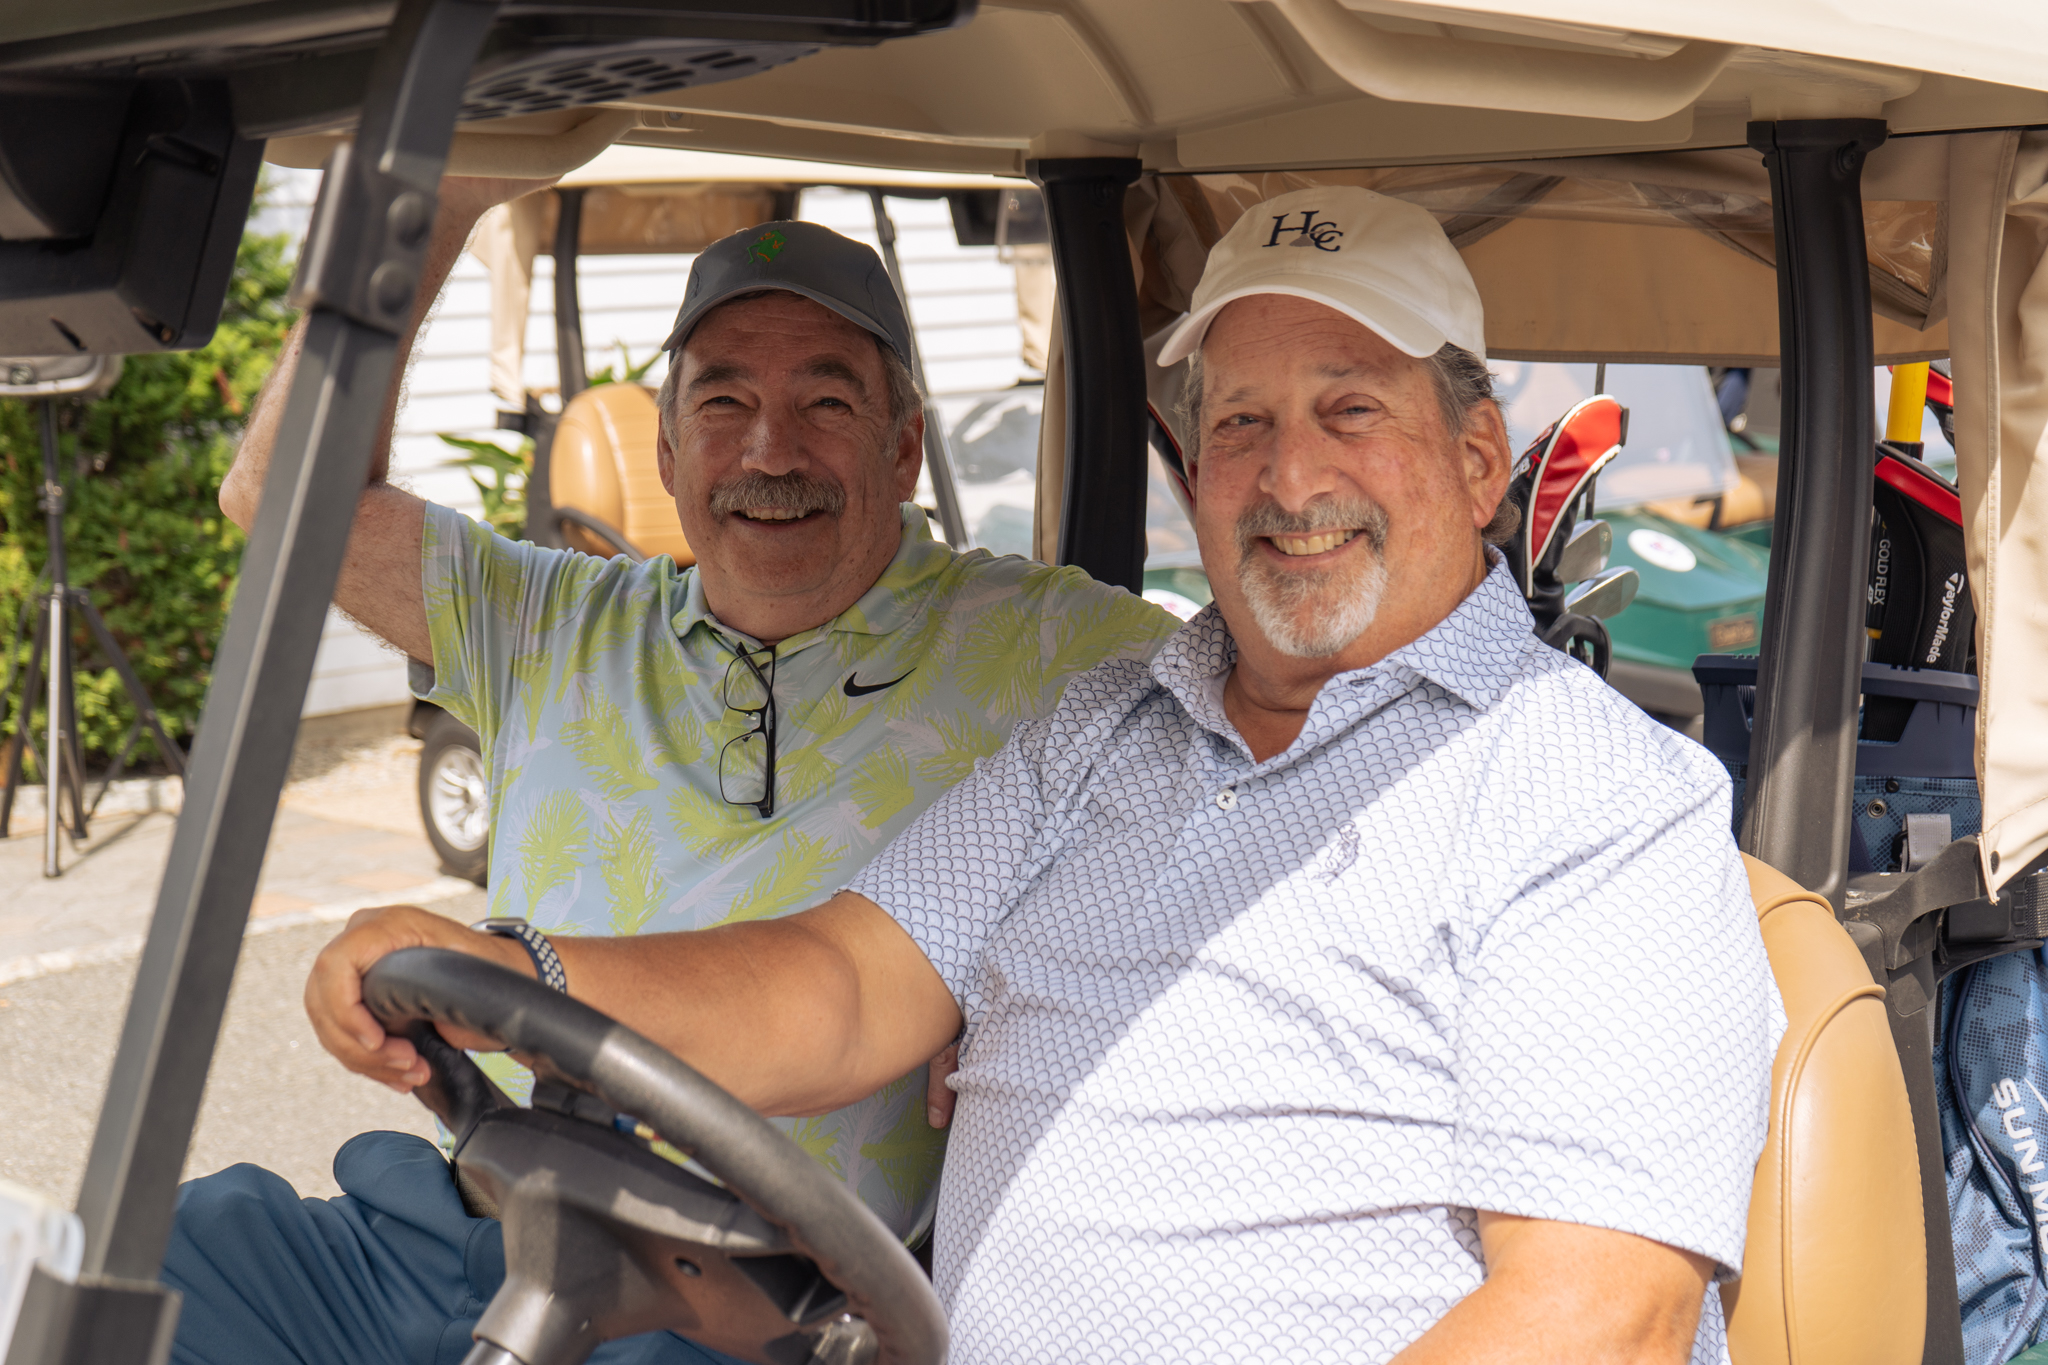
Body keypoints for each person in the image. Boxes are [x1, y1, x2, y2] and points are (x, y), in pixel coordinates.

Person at [307, 184, 1786, 1364]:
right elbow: (837, 987)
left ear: (1477, 461)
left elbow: (1602, 1319)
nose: (1288, 479)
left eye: (1350, 411)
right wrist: (515, 962)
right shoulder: (1110, 722)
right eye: (1239, 425)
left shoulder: (1590, 799)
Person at [166, 176, 1175, 1365]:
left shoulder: (1056, 645)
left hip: (752, 1302)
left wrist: (1062, 985)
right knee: (153, 1259)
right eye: (724, 400)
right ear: (665, 445)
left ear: (904, 445)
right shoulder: (546, 620)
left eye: (826, 401)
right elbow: (279, 499)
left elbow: (1265, 746)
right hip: (481, 1210)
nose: (768, 450)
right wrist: (445, 201)